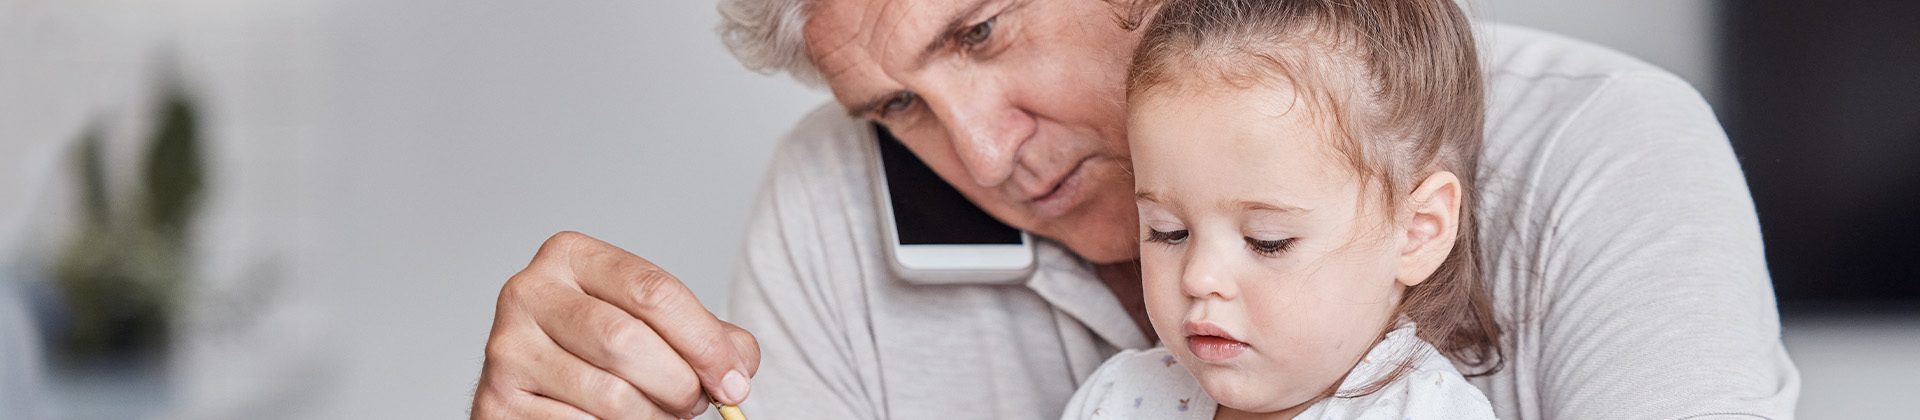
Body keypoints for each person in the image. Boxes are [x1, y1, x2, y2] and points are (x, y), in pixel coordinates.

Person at [468, 0, 1801, 418]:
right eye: (898, 110)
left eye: (982, 32)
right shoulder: (828, 200)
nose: (980, 155)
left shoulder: (1597, 153)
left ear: (1423, 221)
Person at [1063, 0, 1500, 418]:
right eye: (1168, 232)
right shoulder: (1119, 397)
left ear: (1416, 231)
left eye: (1266, 241)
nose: (1198, 278)